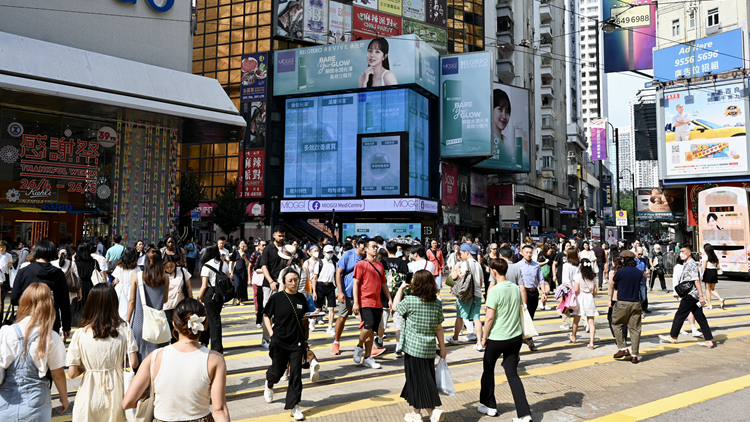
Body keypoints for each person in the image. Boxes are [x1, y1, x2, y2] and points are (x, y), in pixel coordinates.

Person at [123, 298, 230, 422]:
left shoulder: (155, 357)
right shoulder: (215, 359)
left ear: (174, 324)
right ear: (203, 324)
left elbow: (127, 403)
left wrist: (152, 395)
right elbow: (219, 410)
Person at [67, 284, 138, 422]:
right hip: (116, 392)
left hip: (89, 393)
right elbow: (134, 362)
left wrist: (89, 366)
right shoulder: (124, 329)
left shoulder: (80, 334)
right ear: (114, 303)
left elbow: (72, 373)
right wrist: (116, 361)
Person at [1, 283, 69, 420]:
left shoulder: (5, 332)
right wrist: (64, 399)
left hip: (5, 402)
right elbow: (58, 374)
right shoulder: (51, 336)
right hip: (37, 402)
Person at [479, 259, 532, 421]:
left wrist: (483, 337)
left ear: (494, 271)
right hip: (515, 337)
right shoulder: (515, 288)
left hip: (497, 337)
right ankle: (524, 414)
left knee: (488, 370)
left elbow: (489, 318)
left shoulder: (494, 290)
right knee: (512, 374)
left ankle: (490, 406)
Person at [395, 270, 446, 422]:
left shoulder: (410, 300)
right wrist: (442, 348)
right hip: (429, 348)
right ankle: (416, 412)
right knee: (418, 379)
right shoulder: (437, 303)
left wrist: (400, 289)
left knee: (418, 379)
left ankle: (432, 412)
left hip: (412, 348)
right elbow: (439, 328)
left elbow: (396, 307)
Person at [262, 270, 308, 420]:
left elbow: (304, 318)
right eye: (290, 281)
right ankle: (269, 383)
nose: (294, 283)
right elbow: (266, 315)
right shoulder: (277, 298)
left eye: (296, 280)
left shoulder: (302, 297)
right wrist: (271, 333)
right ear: (284, 282)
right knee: (278, 371)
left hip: (297, 342)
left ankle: (294, 406)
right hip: (280, 340)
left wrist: (306, 339)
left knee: (296, 374)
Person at [10, 240, 71, 339]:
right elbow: (64, 302)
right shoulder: (58, 274)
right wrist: (66, 326)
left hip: (27, 318)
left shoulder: (24, 272)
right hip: (51, 320)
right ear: (52, 254)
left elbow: (13, 298)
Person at [660, 245, 715, 347]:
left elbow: (697, 280)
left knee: (680, 315)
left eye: (683, 251)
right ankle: (708, 340)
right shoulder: (688, 263)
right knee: (700, 317)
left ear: (689, 253)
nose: (681, 253)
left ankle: (673, 337)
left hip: (691, 295)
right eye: (680, 251)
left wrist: (701, 296)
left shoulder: (691, 264)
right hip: (693, 295)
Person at [352, 238, 392, 369]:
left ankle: (368, 357)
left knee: (371, 332)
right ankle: (359, 347)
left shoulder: (380, 265)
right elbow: (356, 283)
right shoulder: (361, 264)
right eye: (373, 247)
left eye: (376, 247)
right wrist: (356, 302)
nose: (376, 249)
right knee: (368, 326)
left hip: (378, 302)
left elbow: (383, 284)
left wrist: (390, 299)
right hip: (365, 301)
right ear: (366, 249)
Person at [127, 249, 169, 362]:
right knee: (157, 360)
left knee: (140, 358)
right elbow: (165, 300)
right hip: (157, 325)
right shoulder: (165, 277)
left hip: (139, 323)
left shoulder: (137, 276)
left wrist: (127, 321)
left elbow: (131, 301)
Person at [331, 237, 367, 356]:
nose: (366, 248)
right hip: (347, 294)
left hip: (362, 295)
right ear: (358, 245)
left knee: (364, 321)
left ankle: (365, 346)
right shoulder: (348, 255)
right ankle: (336, 342)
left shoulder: (368, 258)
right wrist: (340, 291)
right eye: (364, 246)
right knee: (342, 318)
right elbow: (338, 273)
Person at [446, 243, 484, 351]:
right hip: (477, 294)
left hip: (466, 295)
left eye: (462, 253)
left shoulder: (465, 263)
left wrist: (457, 272)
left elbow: (460, 278)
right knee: (476, 318)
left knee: (460, 316)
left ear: (467, 253)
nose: (461, 255)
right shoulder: (478, 264)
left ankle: (456, 338)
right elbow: (480, 283)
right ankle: (479, 343)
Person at [611, 251, 643, 363]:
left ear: (623, 260)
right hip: (636, 303)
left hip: (623, 303)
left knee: (617, 324)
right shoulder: (639, 273)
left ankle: (623, 348)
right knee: (635, 329)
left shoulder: (620, 272)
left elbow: (612, 284)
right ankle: (634, 355)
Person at [198, 245, 231, 353]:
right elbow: (228, 277)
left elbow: (203, 286)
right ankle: (204, 340)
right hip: (221, 294)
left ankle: (216, 348)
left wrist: (199, 298)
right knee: (210, 318)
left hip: (210, 293)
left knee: (213, 319)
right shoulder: (223, 264)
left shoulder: (206, 266)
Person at [516, 244, 546, 351]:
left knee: (531, 315)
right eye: (526, 252)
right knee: (526, 314)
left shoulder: (536, 265)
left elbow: (541, 280)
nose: (529, 254)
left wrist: (544, 292)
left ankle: (525, 336)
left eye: (530, 252)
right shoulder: (518, 266)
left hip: (534, 293)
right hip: (524, 293)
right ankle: (529, 338)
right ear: (522, 253)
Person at [260, 227, 287, 348]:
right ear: (274, 235)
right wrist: (271, 281)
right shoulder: (268, 249)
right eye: (279, 235)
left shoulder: (287, 249)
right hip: (269, 285)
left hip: (284, 285)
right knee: (268, 312)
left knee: (283, 312)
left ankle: (281, 336)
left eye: (283, 236)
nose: (281, 238)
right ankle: (266, 338)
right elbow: (264, 267)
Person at [570, 259, 599, 349]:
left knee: (576, 320)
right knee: (591, 322)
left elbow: (575, 289)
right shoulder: (593, 277)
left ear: (580, 266)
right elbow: (595, 291)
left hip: (580, 297)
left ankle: (573, 337)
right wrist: (591, 295)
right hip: (589, 297)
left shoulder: (577, 276)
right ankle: (591, 343)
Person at [163, 255, 191, 343]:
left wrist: (191, 302)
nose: (170, 268)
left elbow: (189, 287)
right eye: (167, 267)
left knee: (180, 329)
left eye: (172, 266)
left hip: (180, 306)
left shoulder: (182, 271)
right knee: (170, 330)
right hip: (166, 306)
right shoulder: (160, 274)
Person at [312, 245, 338, 336]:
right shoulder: (319, 263)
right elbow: (314, 278)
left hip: (330, 286)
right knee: (318, 308)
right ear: (323, 253)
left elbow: (336, 277)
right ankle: (312, 320)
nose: (330, 254)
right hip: (320, 286)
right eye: (328, 252)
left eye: (331, 252)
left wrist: (337, 289)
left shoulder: (334, 263)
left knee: (331, 308)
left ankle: (330, 327)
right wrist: (314, 291)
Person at [112, 247, 142, 322]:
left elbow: (116, 279)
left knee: (118, 308)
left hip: (119, 289)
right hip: (132, 289)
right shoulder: (136, 268)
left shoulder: (119, 267)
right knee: (130, 309)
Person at [701, 243, 725, 310]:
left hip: (708, 272)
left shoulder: (706, 256)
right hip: (714, 272)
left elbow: (704, 267)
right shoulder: (715, 256)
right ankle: (720, 298)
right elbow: (718, 266)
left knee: (707, 290)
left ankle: (709, 305)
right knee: (712, 289)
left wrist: (702, 275)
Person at [249, 240, 266, 327]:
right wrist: (265, 271)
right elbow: (254, 268)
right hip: (260, 282)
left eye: (266, 245)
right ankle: (259, 321)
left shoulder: (269, 255)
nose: (264, 247)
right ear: (259, 246)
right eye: (263, 245)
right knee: (259, 300)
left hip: (269, 282)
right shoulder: (258, 256)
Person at [230, 240, 250, 306]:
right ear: (239, 245)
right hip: (236, 271)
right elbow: (232, 263)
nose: (242, 244)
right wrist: (231, 272)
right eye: (241, 243)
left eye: (244, 243)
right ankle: (236, 298)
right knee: (237, 285)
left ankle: (240, 300)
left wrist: (245, 258)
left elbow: (249, 264)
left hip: (244, 271)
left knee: (242, 286)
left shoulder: (247, 253)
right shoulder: (235, 252)